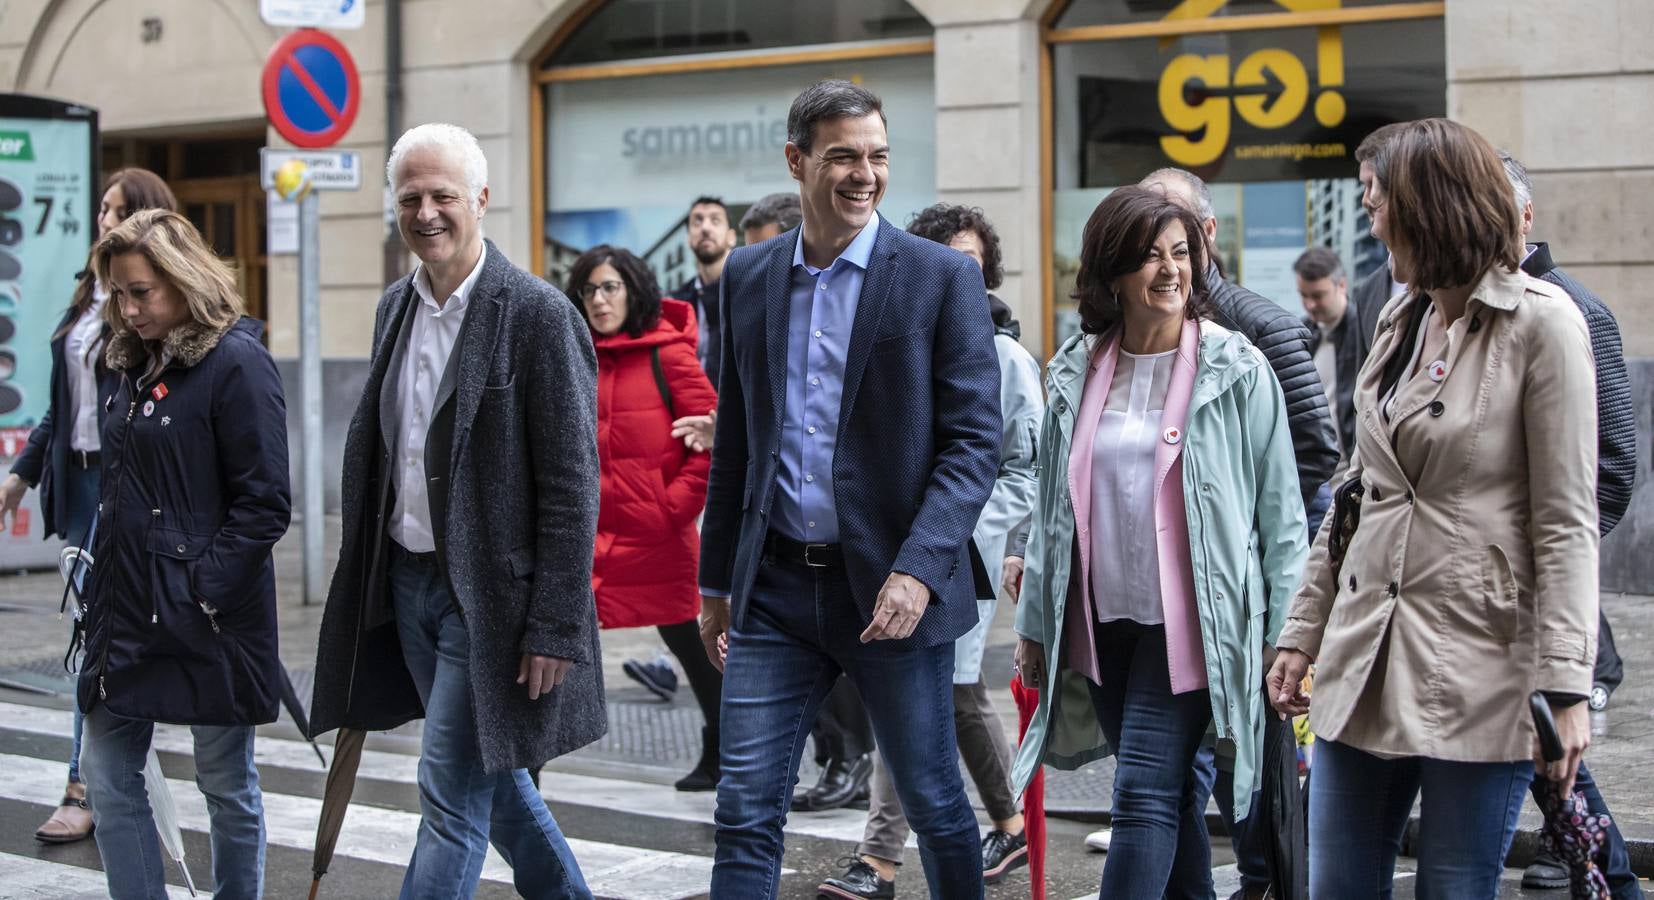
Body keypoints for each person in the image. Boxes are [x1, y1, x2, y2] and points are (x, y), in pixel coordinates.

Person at [1267, 118, 1600, 899]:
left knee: (1452, 888)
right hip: (1362, 657)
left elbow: (1566, 522)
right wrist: (1303, 631)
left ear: (1430, 206)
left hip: (1481, 665)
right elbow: (1358, 493)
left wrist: (1565, 684)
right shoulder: (1399, 314)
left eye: (1377, 200)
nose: (1371, 219)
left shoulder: (1544, 324)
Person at [697, 79, 1002, 899]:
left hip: (890, 592)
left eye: (877, 156)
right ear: (797, 160)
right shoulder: (750, 276)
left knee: (936, 803)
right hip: (775, 590)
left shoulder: (939, 278)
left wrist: (919, 566)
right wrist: (715, 579)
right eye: (842, 156)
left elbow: (975, 443)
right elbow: (739, 441)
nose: (864, 174)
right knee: (746, 808)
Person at [306, 123, 602, 899]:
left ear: (480, 199)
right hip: (407, 587)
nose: (427, 212)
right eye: (411, 198)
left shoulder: (536, 314)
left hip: (493, 604)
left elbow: (575, 487)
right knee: (489, 782)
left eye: (443, 196)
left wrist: (554, 625)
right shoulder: (393, 310)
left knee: (447, 797)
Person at [1010, 186, 1307, 899]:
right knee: (1170, 798)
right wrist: (1034, 626)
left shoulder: (1236, 369)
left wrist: (1288, 632)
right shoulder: (1074, 373)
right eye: (1150, 257)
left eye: (1181, 253)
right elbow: (1055, 509)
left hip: (1197, 625)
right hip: (1102, 620)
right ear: (1113, 273)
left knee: (1140, 793)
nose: (1170, 271)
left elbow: (1282, 514)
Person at [820, 204, 1042, 898]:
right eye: (943, 261)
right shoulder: (899, 346)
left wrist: (976, 531)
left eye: (971, 265)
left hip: (955, 562)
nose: (956, 277)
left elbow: (1024, 466)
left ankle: (879, 858)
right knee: (952, 696)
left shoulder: (1006, 359)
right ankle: (1009, 820)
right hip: (893, 557)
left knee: (914, 701)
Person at [77, 208, 290, 899]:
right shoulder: (128, 362)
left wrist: (201, 587)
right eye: (117, 293)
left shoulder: (236, 359)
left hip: (209, 617)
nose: (128, 308)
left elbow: (265, 504)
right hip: (124, 609)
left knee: (225, 785)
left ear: (185, 279)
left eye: (142, 291)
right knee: (108, 778)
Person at [1137, 166, 1336, 896]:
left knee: (1247, 768)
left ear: (1206, 235)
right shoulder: (1134, 336)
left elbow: (1312, 460)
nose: (1160, 251)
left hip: (1240, 593)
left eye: (1175, 232)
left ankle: (1262, 879)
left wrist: (1275, 598)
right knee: (1170, 779)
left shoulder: (1262, 330)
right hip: (1160, 602)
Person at [0, 166, 176, 847]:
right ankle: (104, 773)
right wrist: (20, 476)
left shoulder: (145, 307)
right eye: (104, 209)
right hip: (76, 487)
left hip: (124, 483)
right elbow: (61, 402)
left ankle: (85, 783)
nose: (104, 221)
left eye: (118, 209)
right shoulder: (89, 294)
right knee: (89, 640)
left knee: (95, 643)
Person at [1500, 151, 1642, 900]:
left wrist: (1550, 561)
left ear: (1524, 217)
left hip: (1530, 594)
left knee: (1553, 761)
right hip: (1469, 600)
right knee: (1546, 765)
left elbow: (1613, 469)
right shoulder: (1436, 308)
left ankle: (1609, 877)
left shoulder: (1573, 309)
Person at [567, 244, 723, 792]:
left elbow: (710, 438)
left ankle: (723, 750)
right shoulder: (570, 351)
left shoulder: (669, 353)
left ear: (632, 290)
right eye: (589, 289)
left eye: (610, 287)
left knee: (695, 646)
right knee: (555, 644)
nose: (599, 299)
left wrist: (671, 507)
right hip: (585, 536)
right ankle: (525, 766)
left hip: (658, 533)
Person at [1296, 246, 1385, 463]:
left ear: (1342, 285)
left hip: (1351, 468)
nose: (1309, 304)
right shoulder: (1303, 332)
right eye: (1303, 295)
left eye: (1318, 295)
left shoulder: (1367, 330)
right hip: (1313, 468)